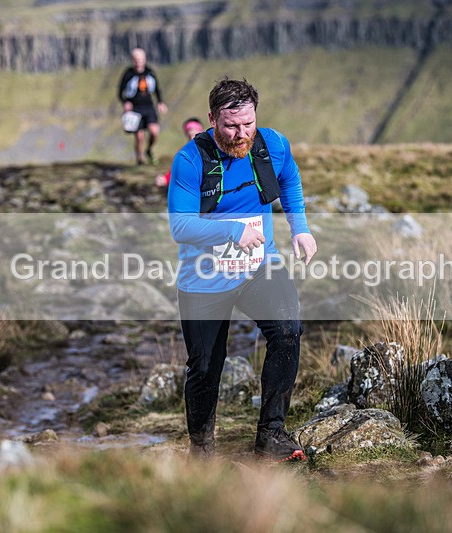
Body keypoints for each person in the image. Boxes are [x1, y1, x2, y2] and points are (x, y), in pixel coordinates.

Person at [167, 78, 317, 461]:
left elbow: (290, 180)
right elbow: (180, 227)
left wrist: (299, 229)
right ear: (212, 119)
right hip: (204, 276)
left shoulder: (272, 145)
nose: (241, 133)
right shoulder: (189, 160)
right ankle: (201, 449)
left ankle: (272, 434)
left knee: (287, 330)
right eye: (231, 126)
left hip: (258, 266)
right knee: (204, 367)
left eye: (248, 123)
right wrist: (232, 231)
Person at [118, 47, 168, 165]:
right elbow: (120, 91)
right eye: (136, 59)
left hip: (149, 107)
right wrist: (125, 102)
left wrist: (160, 102)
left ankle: (149, 150)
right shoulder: (128, 73)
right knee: (139, 137)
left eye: (140, 59)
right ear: (132, 60)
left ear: (144, 59)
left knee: (154, 131)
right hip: (135, 109)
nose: (138, 62)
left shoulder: (150, 72)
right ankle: (139, 159)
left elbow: (156, 89)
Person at [155, 118, 204, 187]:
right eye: (189, 131)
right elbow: (176, 168)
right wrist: (165, 179)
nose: (191, 134)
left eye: (194, 130)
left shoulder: (209, 148)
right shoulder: (183, 151)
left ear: (200, 131)